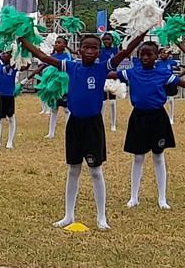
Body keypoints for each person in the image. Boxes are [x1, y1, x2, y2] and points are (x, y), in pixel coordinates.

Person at [18, 31, 145, 230]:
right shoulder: (71, 66)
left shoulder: (103, 67)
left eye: (94, 48)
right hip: (74, 124)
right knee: (73, 170)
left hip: (93, 125)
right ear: (79, 50)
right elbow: (43, 57)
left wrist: (141, 34)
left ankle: (101, 217)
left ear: (99, 52)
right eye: (86, 47)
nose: (90, 51)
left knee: (95, 171)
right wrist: (23, 40)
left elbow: (126, 51)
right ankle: (68, 215)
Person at [116, 41, 182, 209]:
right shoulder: (132, 72)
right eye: (142, 54)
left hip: (158, 118)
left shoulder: (163, 73)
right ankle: (134, 197)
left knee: (158, 156)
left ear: (156, 56)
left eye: (149, 54)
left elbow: (180, 84)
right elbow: (110, 74)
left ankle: (162, 198)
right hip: (138, 117)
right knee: (138, 157)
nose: (145, 57)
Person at [99, 33, 119, 132]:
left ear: (112, 40)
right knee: (102, 102)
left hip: (112, 77)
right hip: (102, 76)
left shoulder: (115, 50)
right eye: (104, 40)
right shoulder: (100, 50)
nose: (106, 41)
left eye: (108, 39)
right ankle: (101, 122)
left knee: (112, 101)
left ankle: (113, 124)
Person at [0, 51, 18, 149]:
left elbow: (25, 66)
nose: (3, 55)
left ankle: (10, 142)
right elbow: (6, 69)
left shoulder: (15, 67)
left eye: (6, 54)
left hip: (9, 95)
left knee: (11, 118)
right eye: (3, 53)